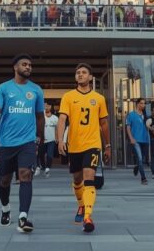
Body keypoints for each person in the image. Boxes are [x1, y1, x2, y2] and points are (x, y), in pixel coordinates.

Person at [0, 54, 44, 233]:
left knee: (25, 175)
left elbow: (39, 116)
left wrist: (39, 136)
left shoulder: (36, 90)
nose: (28, 67)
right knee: (4, 180)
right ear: (15, 67)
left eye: (30, 65)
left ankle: (23, 217)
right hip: (6, 142)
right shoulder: (4, 88)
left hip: (27, 142)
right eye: (24, 64)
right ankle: (5, 209)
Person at [55, 63, 109, 233]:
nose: (80, 75)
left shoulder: (99, 98)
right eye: (77, 72)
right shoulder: (68, 96)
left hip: (92, 144)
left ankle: (88, 216)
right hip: (75, 145)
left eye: (84, 72)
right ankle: (81, 205)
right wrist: (60, 140)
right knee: (77, 179)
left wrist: (107, 145)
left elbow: (104, 123)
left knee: (89, 177)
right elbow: (62, 119)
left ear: (91, 77)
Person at [125, 98, 151, 184]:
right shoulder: (131, 115)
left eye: (144, 104)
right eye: (141, 103)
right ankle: (143, 178)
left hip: (145, 140)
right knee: (140, 159)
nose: (143, 105)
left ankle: (137, 166)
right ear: (137, 104)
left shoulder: (146, 116)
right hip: (136, 140)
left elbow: (149, 127)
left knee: (142, 160)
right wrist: (131, 138)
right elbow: (128, 127)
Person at [40, 102, 58, 177]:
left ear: (51, 107)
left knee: (50, 155)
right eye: (45, 106)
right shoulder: (41, 117)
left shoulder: (55, 118)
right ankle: (43, 166)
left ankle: (47, 168)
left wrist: (57, 138)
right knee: (41, 155)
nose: (46, 107)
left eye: (48, 106)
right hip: (42, 140)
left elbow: (57, 129)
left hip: (51, 140)